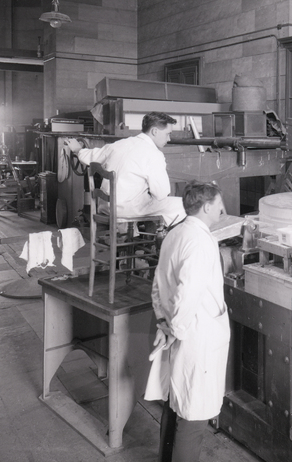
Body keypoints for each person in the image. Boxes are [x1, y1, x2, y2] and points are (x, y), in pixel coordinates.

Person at [150, 181, 229, 462]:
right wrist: (176, 330)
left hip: (180, 328)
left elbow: (158, 285)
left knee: (175, 405)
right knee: (193, 417)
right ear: (207, 206)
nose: (222, 208)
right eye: (219, 203)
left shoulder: (176, 233)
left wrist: (163, 321)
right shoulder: (199, 241)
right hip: (196, 336)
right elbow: (189, 292)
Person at [66, 112, 186, 226]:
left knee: (147, 200)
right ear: (154, 131)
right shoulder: (154, 154)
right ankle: (162, 239)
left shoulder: (120, 144)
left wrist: (78, 150)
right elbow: (162, 194)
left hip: (106, 206)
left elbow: (91, 156)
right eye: (168, 134)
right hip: (128, 210)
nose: (169, 139)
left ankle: (135, 237)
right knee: (184, 205)